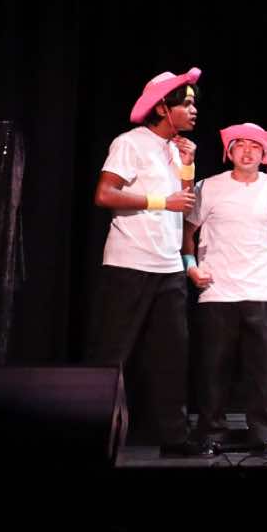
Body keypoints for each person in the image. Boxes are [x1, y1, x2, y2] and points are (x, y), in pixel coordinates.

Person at [88, 67, 214, 458]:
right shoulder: (131, 143)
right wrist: (161, 201)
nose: (194, 110)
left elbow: (184, 204)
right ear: (162, 107)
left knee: (171, 355)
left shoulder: (175, 150)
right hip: (129, 263)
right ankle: (93, 435)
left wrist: (188, 167)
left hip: (168, 267)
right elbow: (104, 194)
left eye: (194, 104)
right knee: (114, 353)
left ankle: (174, 436)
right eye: (186, 104)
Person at [184, 121, 267, 460]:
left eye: (255, 146)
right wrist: (191, 266)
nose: (247, 152)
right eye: (240, 146)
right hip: (217, 290)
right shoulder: (208, 187)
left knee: (260, 370)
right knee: (213, 369)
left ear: (264, 153)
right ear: (229, 152)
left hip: (260, 291)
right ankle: (210, 434)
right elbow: (186, 232)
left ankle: (264, 436)